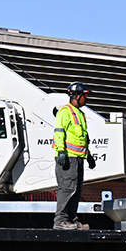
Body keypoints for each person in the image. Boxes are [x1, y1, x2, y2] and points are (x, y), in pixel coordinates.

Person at [52, 82, 95, 229]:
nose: (85, 99)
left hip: (78, 158)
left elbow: (81, 138)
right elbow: (59, 132)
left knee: (76, 189)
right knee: (67, 188)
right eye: (84, 96)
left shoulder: (80, 114)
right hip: (68, 158)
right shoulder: (65, 112)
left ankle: (71, 219)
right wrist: (61, 151)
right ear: (77, 96)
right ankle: (61, 220)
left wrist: (88, 156)